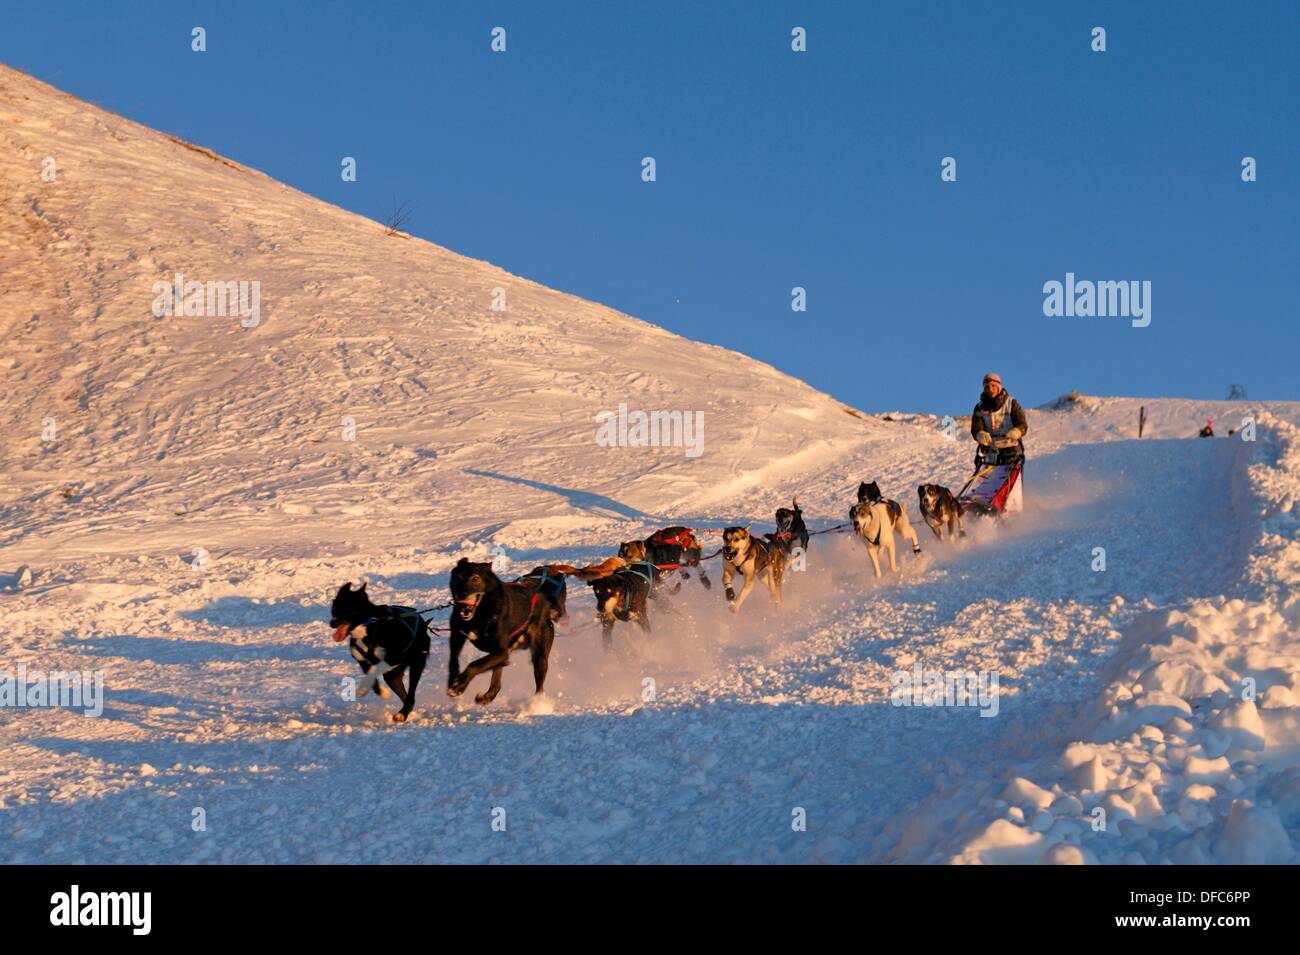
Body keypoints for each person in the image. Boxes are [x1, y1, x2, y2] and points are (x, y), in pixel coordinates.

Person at [970, 372, 1027, 512]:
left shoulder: (1011, 403)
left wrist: (1016, 432)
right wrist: (980, 434)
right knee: (988, 482)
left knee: (1008, 481)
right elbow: (976, 427)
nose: (990, 389)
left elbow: (1022, 424)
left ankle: (1008, 509)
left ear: (999, 386)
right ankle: (981, 505)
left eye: (993, 386)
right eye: (987, 387)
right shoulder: (979, 408)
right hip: (991, 452)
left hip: (1012, 450)